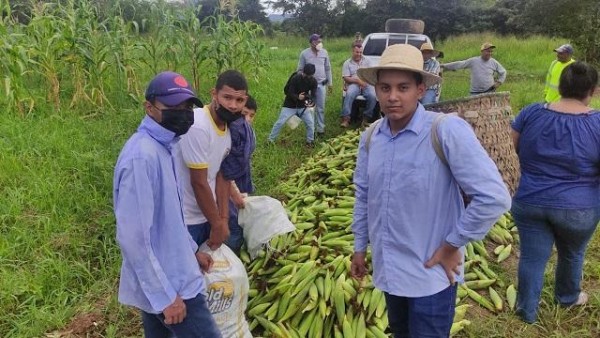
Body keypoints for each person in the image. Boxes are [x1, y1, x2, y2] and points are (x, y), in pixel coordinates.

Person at [350, 44, 511, 337]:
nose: (393, 96)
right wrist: (360, 247)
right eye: (385, 87)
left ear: (420, 90)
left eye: (403, 87)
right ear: (376, 90)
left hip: (430, 274)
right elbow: (364, 195)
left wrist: (453, 244)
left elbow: (494, 197)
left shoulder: (445, 130)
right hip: (389, 272)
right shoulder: (371, 137)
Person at [113, 71, 221, 338]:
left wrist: (190, 251)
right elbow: (134, 238)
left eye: (187, 107)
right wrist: (165, 298)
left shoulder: (166, 146)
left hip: (170, 274)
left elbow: (169, 219)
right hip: (173, 287)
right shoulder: (142, 157)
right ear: (149, 108)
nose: (183, 113)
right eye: (174, 108)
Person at [511, 61, 599, 324]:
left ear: (560, 86)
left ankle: (526, 311)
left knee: (532, 257)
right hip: (579, 207)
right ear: (593, 91)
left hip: (530, 201)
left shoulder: (531, 113)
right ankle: (568, 297)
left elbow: (511, 147)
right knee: (572, 253)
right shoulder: (597, 123)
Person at [176, 70, 248, 250]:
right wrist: (217, 223)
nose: (233, 105)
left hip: (207, 212)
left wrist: (222, 219)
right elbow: (199, 182)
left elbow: (223, 176)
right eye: (227, 97)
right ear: (214, 94)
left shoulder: (231, 126)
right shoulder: (198, 125)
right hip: (186, 217)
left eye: (239, 100)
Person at [220, 95, 258, 255]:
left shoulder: (245, 132)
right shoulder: (228, 134)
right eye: (244, 114)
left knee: (240, 222)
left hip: (239, 185)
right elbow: (224, 171)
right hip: (226, 189)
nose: (248, 119)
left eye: (251, 115)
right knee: (233, 225)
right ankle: (229, 255)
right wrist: (236, 195)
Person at [268, 63, 318, 146]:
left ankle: (310, 141)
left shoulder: (313, 81)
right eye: (306, 75)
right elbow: (289, 92)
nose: (307, 77)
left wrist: (306, 97)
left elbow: (313, 95)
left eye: (309, 76)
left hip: (303, 106)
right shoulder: (295, 78)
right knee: (280, 122)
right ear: (303, 72)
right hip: (290, 104)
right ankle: (270, 140)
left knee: (310, 123)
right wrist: (298, 96)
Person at [297, 33, 333, 136]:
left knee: (321, 108)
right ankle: (311, 129)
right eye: (318, 42)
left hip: (321, 84)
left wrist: (330, 83)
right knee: (309, 108)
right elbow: (299, 70)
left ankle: (320, 129)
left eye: (320, 41)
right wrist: (303, 83)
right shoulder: (304, 54)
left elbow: (327, 68)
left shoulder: (324, 52)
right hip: (308, 86)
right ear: (312, 43)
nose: (320, 43)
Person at [441, 42, 507, 95]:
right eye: (488, 51)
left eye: (491, 51)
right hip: (475, 93)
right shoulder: (474, 61)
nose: (490, 53)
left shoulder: (494, 62)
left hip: (489, 92)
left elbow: (503, 72)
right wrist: (444, 66)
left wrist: (499, 82)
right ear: (482, 51)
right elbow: (460, 64)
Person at [340, 41, 377, 128]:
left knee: (372, 96)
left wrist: (365, 81)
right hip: (354, 83)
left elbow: (370, 74)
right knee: (349, 94)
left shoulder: (368, 61)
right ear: (352, 51)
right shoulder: (347, 63)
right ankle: (346, 118)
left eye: (361, 52)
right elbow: (346, 77)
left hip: (366, 82)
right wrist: (357, 81)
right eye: (357, 52)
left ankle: (366, 118)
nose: (359, 54)